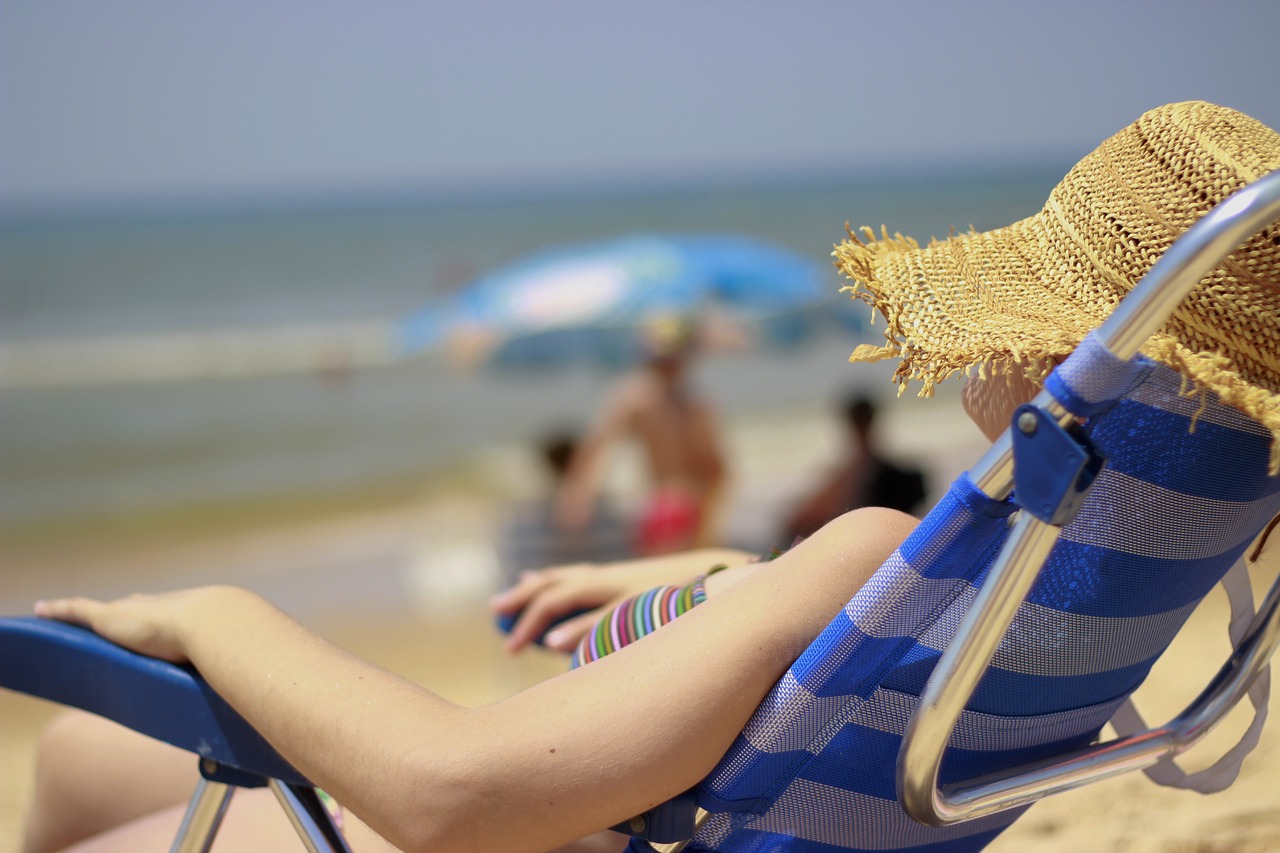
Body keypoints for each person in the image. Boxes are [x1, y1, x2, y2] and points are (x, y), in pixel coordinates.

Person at [20, 102, 1280, 853]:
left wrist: (206, 610)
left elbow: (453, 795)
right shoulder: (1117, 575)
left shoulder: (877, 545)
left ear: (1075, 356)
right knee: (78, 759)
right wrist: (732, 587)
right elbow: (867, 662)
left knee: (87, 763)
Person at [555, 315, 727, 556]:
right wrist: (578, 492)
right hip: (674, 503)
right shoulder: (666, 398)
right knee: (682, 580)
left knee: (677, 581)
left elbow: (597, 444)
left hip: (674, 503)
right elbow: (598, 446)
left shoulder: (663, 397)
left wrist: (577, 491)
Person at [781, 393, 927, 544]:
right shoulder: (893, 474)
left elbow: (798, 522)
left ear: (850, 423)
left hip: (856, 540)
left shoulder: (852, 472)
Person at [496, 430, 631, 586]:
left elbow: (513, 575)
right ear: (584, 462)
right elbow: (622, 565)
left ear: (545, 465)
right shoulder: (611, 513)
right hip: (597, 596)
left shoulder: (522, 517)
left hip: (542, 597)